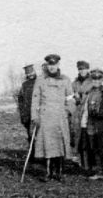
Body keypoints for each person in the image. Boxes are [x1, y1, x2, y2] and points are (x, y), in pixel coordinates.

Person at [31, 54, 74, 182]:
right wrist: (35, 117)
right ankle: (48, 172)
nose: (52, 67)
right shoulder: (40, 79)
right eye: (50, 65)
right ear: (47, 65)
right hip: (45, 117)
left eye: (54, 65)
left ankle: (59, 172)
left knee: (60, 144)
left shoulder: (65, 80)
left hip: (60, 117)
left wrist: (68, 111)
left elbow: (70, 99)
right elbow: (35, 99)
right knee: (48, 144)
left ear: (58, 65)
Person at [76, 68, 103, 180]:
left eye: (98, 79)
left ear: (102, 80)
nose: (96, 81)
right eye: (94, 79)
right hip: (90, 124)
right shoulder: (89, 92)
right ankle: (99, 171)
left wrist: (100, 113)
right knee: (94, 148)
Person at [71, 60, 94, 168]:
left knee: (89, 137)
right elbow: (70, 97)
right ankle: (81, 161)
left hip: (89, 112)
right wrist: (75, 97)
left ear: (88, 69)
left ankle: (90, 163)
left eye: (84, 69)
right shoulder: (75, 83)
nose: (82, 71)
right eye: (80, 69)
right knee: (78, 137)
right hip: (77, 113)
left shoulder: (93, 81)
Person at [17, 64, 37, 146]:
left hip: (38, 114)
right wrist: (23, 115)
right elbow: (20, 101)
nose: (30, 74)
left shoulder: (39, 82)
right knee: (31, 135)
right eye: (28, 73)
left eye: (31, 72)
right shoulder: (24, 85)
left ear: (34, 71)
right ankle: (32, 155)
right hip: (28, 115)